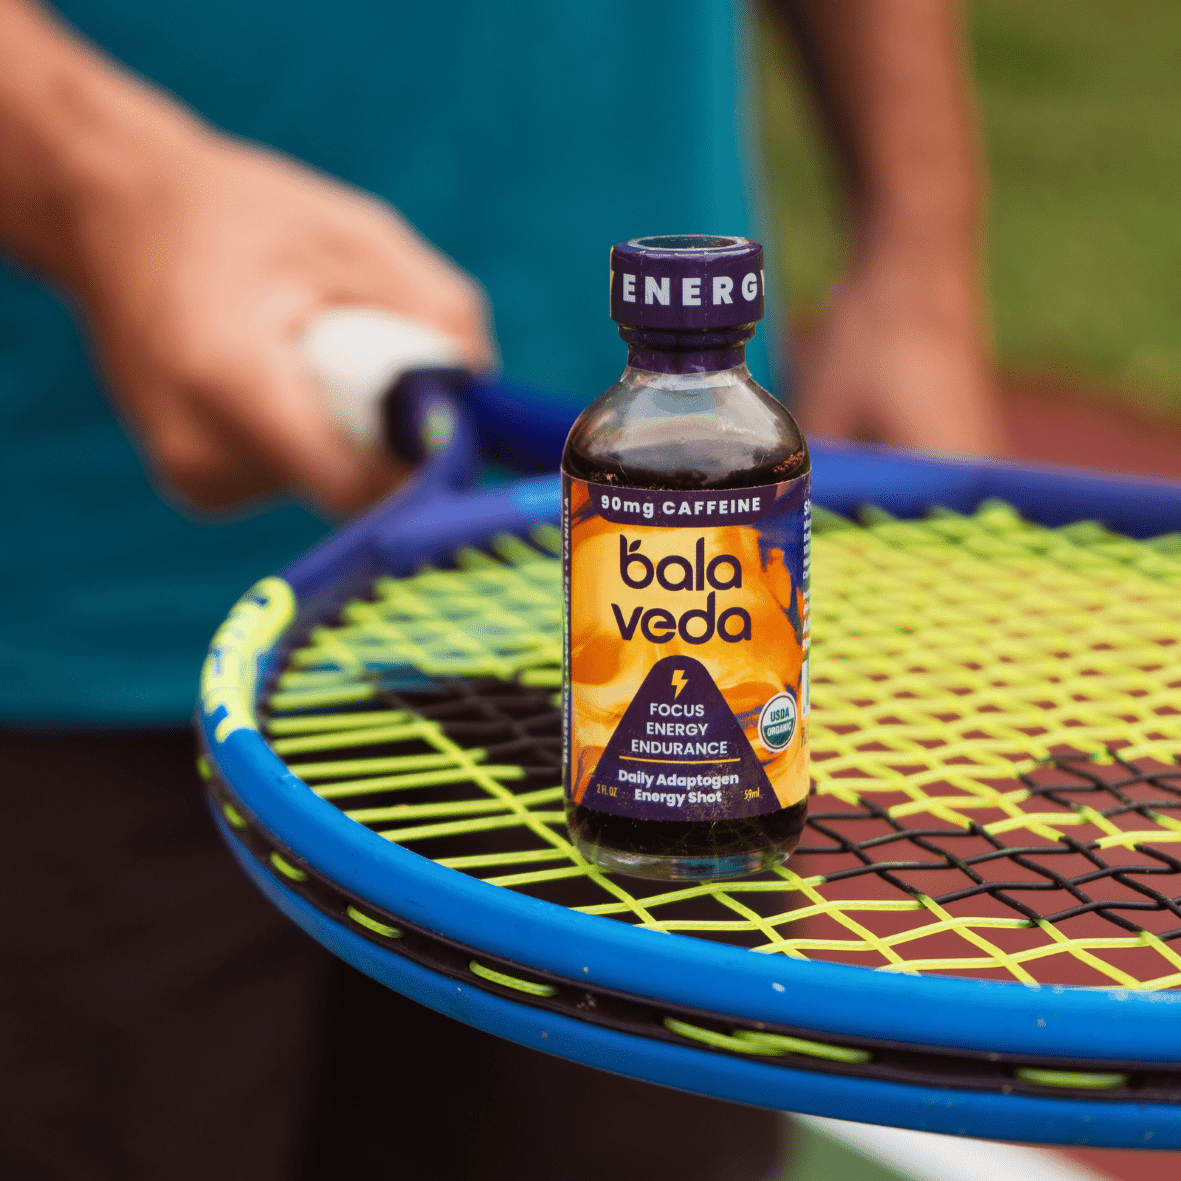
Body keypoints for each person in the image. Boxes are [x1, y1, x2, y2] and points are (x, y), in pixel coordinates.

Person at [0, 1, 995, 1177]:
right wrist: (98, 174)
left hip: (618, 699)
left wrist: (917, 236)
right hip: (77, 616)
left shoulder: (724, 444)